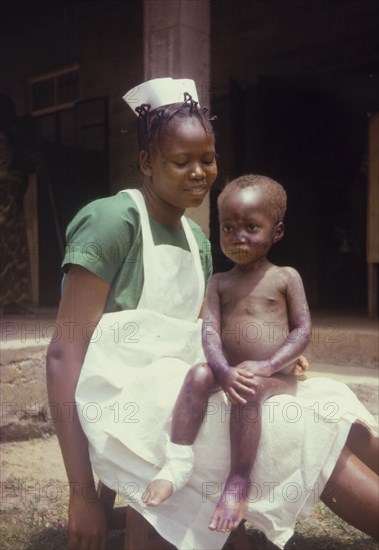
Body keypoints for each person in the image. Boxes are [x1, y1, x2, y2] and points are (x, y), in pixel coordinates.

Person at [46, 77, 378, 550]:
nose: (199, 173)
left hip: (180, 391)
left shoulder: (196, 239)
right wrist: (83, 494)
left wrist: (273, 355)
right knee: (288, 422)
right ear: (146, 163)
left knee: (327, 402)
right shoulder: (111, 221)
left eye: (207, 159)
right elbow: (65, 355)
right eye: (181, 162)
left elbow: (202, 333)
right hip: (133, 402)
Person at [142, 174, 312, 533]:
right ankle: (177, 462)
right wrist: (221, 369)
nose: (238, 238)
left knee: (248, 386)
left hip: (274, 378)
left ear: (276, 232)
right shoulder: (219, 282)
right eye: (228, 228)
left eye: (251, 227)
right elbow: (210, 332)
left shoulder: (285, 277)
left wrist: (268, 366)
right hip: (230, 369)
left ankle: (238, 480)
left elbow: (302, 330)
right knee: (197, 375)